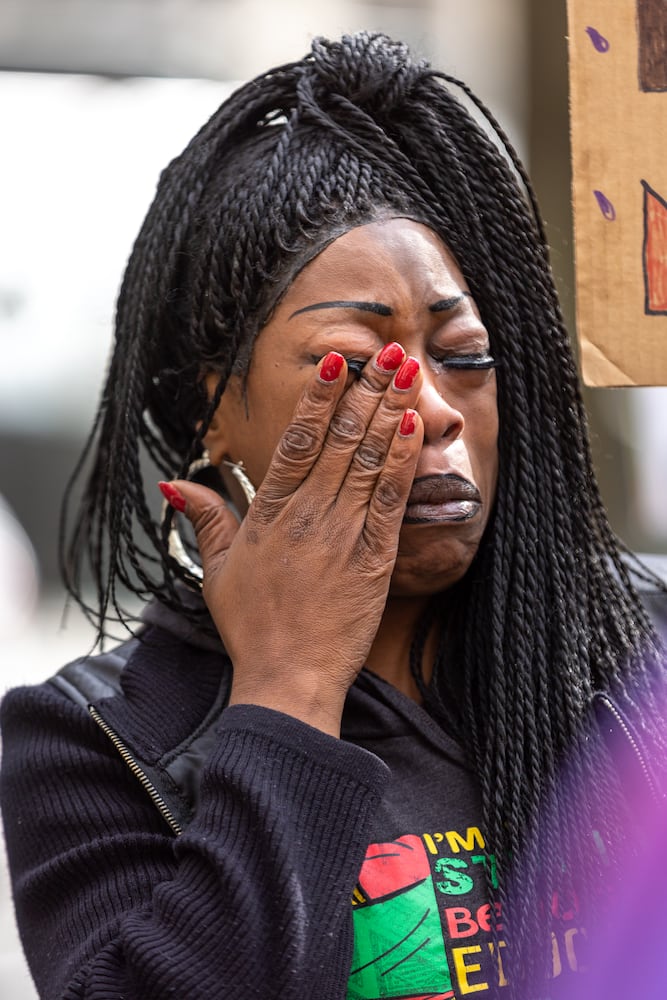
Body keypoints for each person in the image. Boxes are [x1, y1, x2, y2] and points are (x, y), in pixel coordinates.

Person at [1, 31, 666, 1000]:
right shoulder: (101, 740)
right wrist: (290, 691)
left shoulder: (640, 645)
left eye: (467, 355)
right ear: (206, 411)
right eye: (360, 367)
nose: (435, 408)